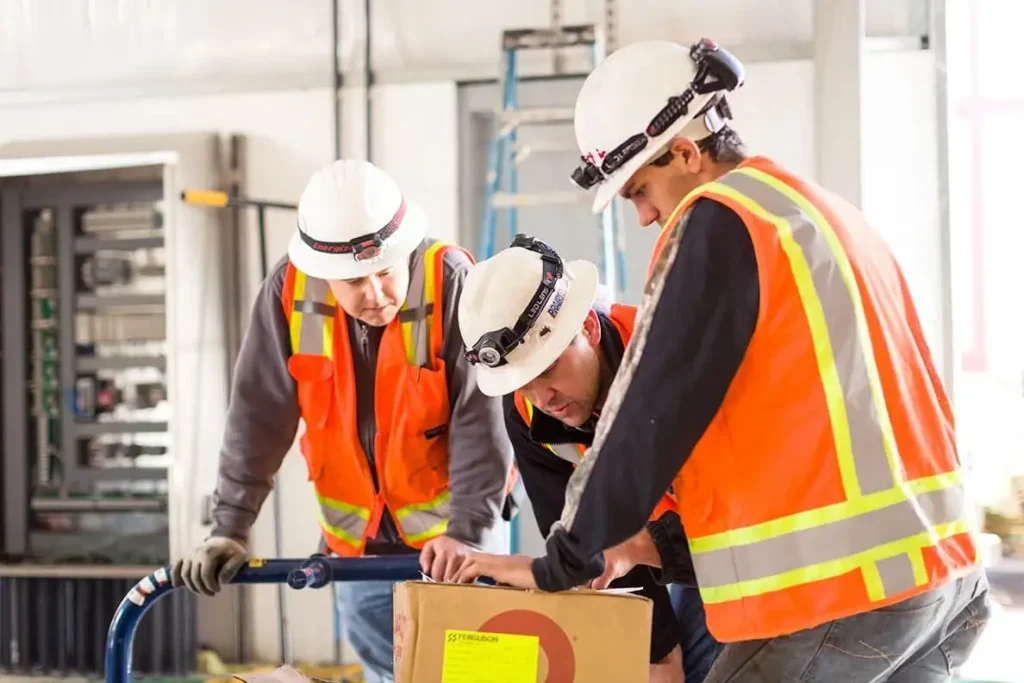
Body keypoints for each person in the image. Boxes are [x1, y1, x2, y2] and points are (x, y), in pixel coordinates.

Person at [455, 39, 990, 682]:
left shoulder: (719, 221)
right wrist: (636, 549)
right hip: (940, 574)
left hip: (841, 594)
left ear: (685, 152)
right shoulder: (818, 211)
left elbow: (649, 413)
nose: (647, 215)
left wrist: (560, 561)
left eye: (640, 191)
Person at [172, 159, 514, 683]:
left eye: (384, 271)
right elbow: (257, 418)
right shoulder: (288, 296)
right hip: (360, 555)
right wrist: (230, 529)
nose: (375, 295)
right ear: (322, 271)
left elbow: (482, 420)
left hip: (458, 552)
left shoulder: (450, 282)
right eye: (353, 281)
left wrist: (468, 534)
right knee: (389, 677)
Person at [457, 235, 723, 683]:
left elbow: (753, 518)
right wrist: (658, 652)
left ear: (590, 329)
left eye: (547, 370)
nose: (544, 398)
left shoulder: (673, 362)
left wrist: (641, 550)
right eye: (523, 383)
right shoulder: (526, 412)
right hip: (660, 554)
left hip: (745, 552)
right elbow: (585, 541)